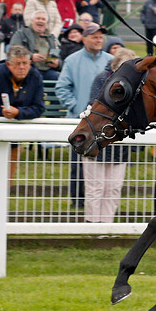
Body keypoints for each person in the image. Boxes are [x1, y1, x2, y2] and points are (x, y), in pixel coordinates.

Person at [0, 46, 44, 220]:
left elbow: (39, 108)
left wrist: (18, 113)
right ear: (9, 65)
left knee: (4, 180)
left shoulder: (35, 77)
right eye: (18, 64)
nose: (22, 68)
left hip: (13, 138)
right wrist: (4, 113)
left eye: (26, 63)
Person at [56, 24, 113, 208]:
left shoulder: (111, 60)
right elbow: (62, 87)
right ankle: (78, 201)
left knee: (103, 163)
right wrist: (77, 108)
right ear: (84, 39)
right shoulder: (72, 60)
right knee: (77, 163)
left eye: (100, 37)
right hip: (80, 122)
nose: (98, 40)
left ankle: (101, 205)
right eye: (94, 37)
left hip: (104, 124)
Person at [83, 48, 137, 223]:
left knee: (113, 187)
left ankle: (107, 226)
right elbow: (94, 106)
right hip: (97, 141)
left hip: (119, 142)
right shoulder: (102, 79)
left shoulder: (137, 86)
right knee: (95, 187)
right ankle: (92, 225)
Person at [10, 10, 63, 80]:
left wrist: (58, 64)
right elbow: (14, 50)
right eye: (38, 18)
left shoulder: (51, 37)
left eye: (43, 19)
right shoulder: (21, 33)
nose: (41, 21)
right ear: (32, 21)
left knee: (60, 79)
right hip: (28, 68)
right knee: (36, 77)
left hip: (48, 70)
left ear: (46, 23)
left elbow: (58, 56)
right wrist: (31, 57)